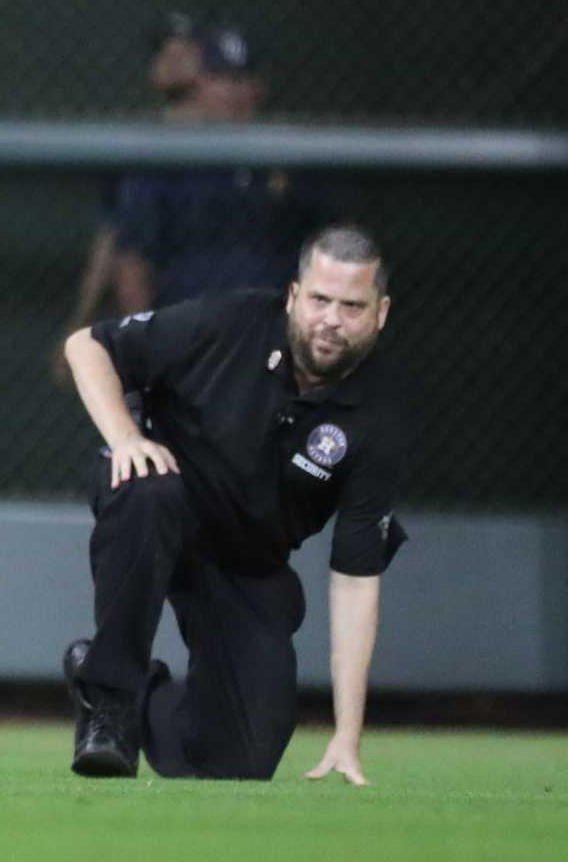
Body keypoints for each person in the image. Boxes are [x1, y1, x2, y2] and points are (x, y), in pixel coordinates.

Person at [59, 222, 409, 783]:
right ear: (295, 295)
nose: (331, 320)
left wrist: (347, 736)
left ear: (380, 313)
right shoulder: (227, 321)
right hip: (162, 498)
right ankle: (110, 703)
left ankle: (124, 686)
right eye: (319, 299)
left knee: (240, 761)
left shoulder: (379, 418)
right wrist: (127, 438)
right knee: (147, 488)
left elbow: (355, 578)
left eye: (351, 307)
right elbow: (87, 345)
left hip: (246, 562)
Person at [109, 25, 326, 315]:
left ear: (261, 87)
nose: (234, 92)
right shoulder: (165, 160)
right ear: (197, 85)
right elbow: (132, 266)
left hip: (271, 334)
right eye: (220, 78)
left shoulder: (289, 161)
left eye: (243, 78)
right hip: (188, 334)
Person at [52, 12, 204, 382]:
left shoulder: (246, 142)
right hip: (168, 317)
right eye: (164, 52)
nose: (171, 60)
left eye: (184, 51)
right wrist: (81, 319)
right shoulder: (139, 146)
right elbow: (115, 239)